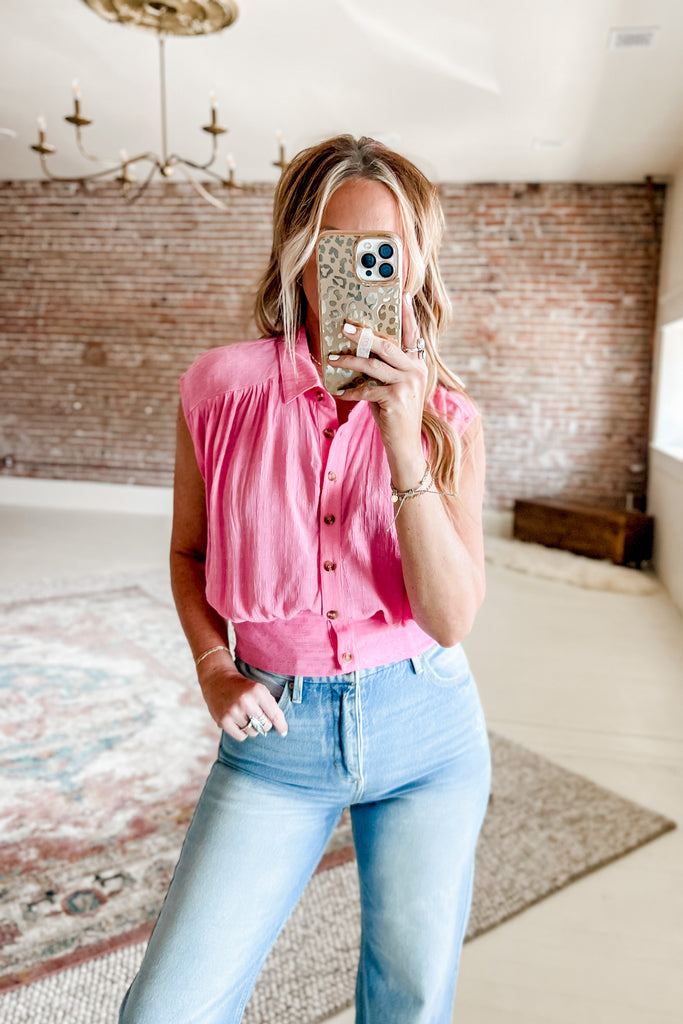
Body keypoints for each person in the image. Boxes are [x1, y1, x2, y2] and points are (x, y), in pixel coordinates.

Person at [119, 134, 491, 1024]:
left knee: (408, 1004)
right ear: (298, 253)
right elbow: (188, 553)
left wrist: (402, 437)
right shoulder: (218, 389)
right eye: (338, 247)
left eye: (384, 252)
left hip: (428, 733)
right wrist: (214, 664)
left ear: (413, 263)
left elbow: (449, 619)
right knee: (165, 1010)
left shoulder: (449, 419)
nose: (362, 273)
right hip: (276, 743)